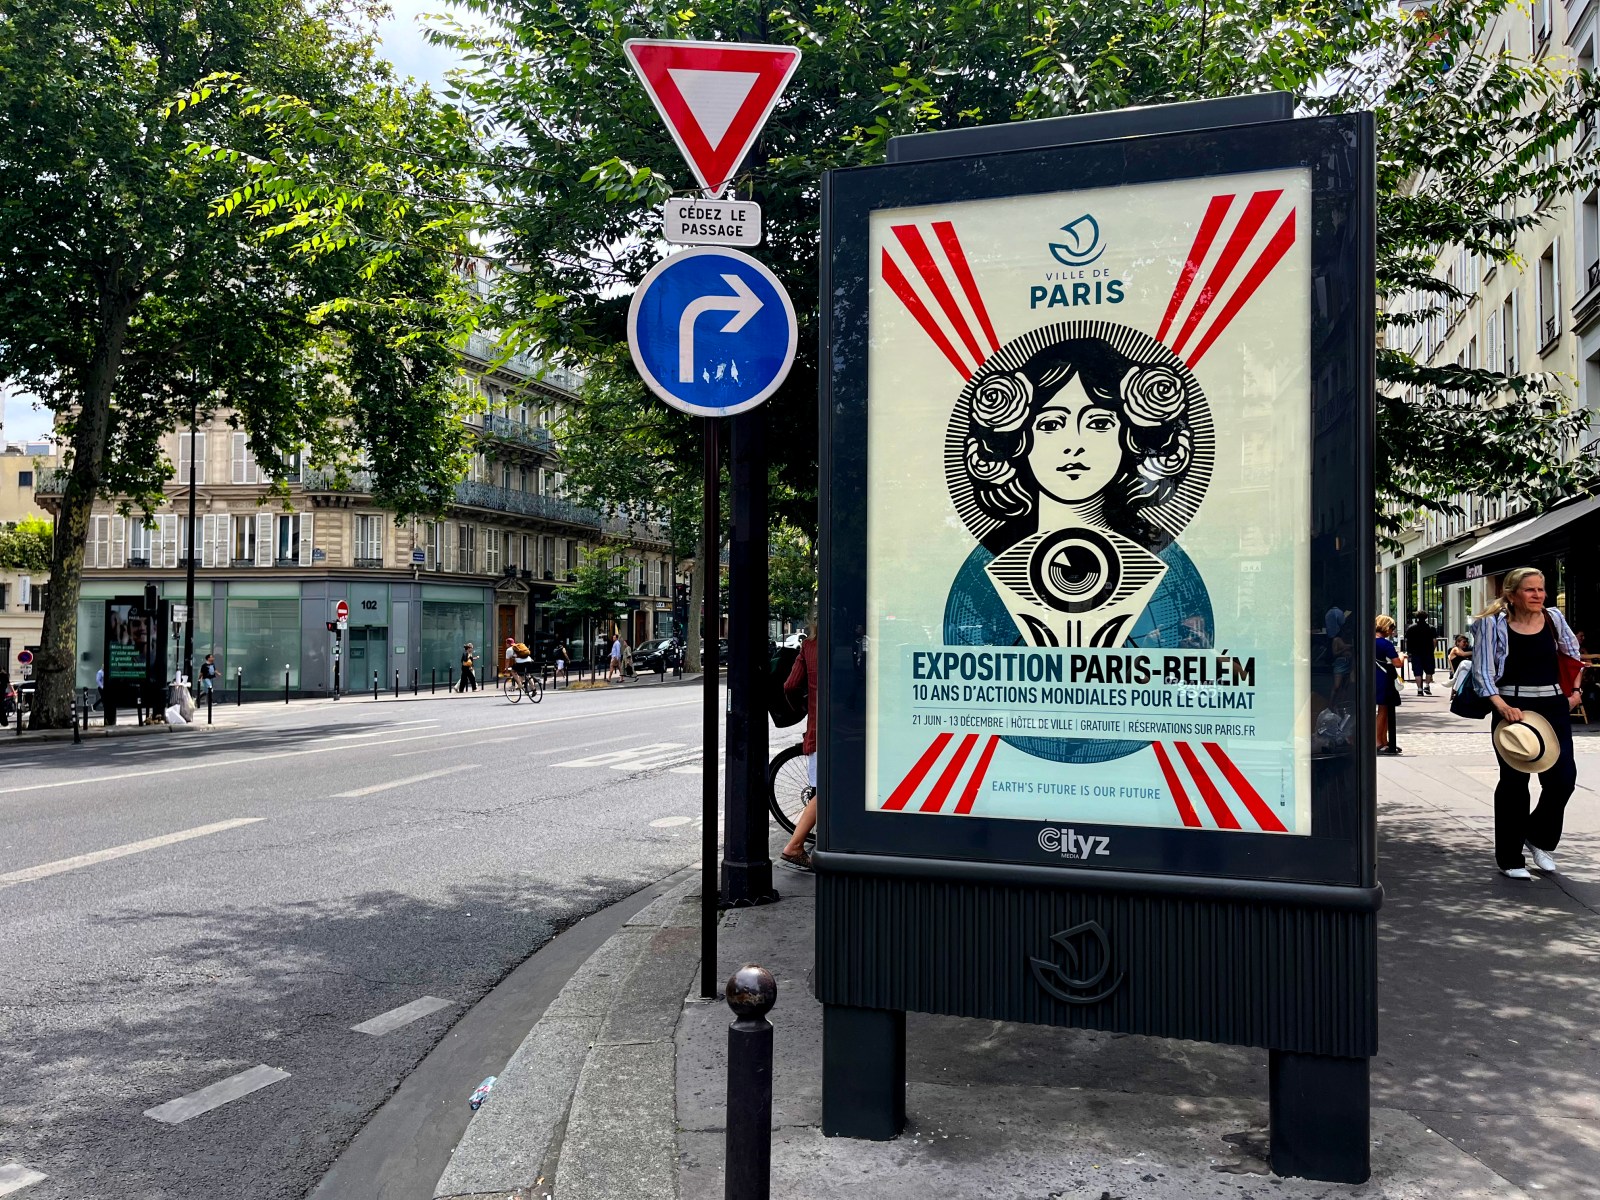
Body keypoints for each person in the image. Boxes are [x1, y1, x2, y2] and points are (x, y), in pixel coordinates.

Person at [1469, 567, 1582, 879]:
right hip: (1511, 707)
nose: (1538, 596)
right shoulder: (1491, 624)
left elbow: (1573, 657)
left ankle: (1537, 837)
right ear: (1512, 594)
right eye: (1531, 590)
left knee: (1563, 779)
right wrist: (1501, 705)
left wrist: (1575, 693)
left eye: (1541, 590)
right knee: (1515, 782)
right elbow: (1482, 672)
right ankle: (1509, 858)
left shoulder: (1553, 619)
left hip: (1554, 706)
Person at [779, 624, 820, 871]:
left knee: (824, 787)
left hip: (818, 726)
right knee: (826, 791)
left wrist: (803, 709)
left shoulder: (809, 646)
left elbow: (790, 686)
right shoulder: (849, 645)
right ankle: (794, 845)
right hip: (845, 730)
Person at [1375, 615, 1404, 755]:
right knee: (1383, 710)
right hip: (1384, 678)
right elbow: (1398, 663)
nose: (1392, 631)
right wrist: (1403, 656)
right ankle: (1379, 742)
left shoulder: (1369, 641)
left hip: (1373, 677)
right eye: (1392, 628)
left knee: (1383, 710)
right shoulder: (1385, 644)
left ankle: (1384, 741)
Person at [1404, 612, 1437, 695]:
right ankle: (1427, 685)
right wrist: (1433, 649)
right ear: (1426, 618)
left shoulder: (1411, 628)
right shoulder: (1431, 628)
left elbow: (1407, 641)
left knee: (1417, 671)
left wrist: (1408, 651)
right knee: (1429, 670)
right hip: (1428, 652)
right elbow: (1434, 641)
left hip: (1415, 652)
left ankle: (1419, 689)